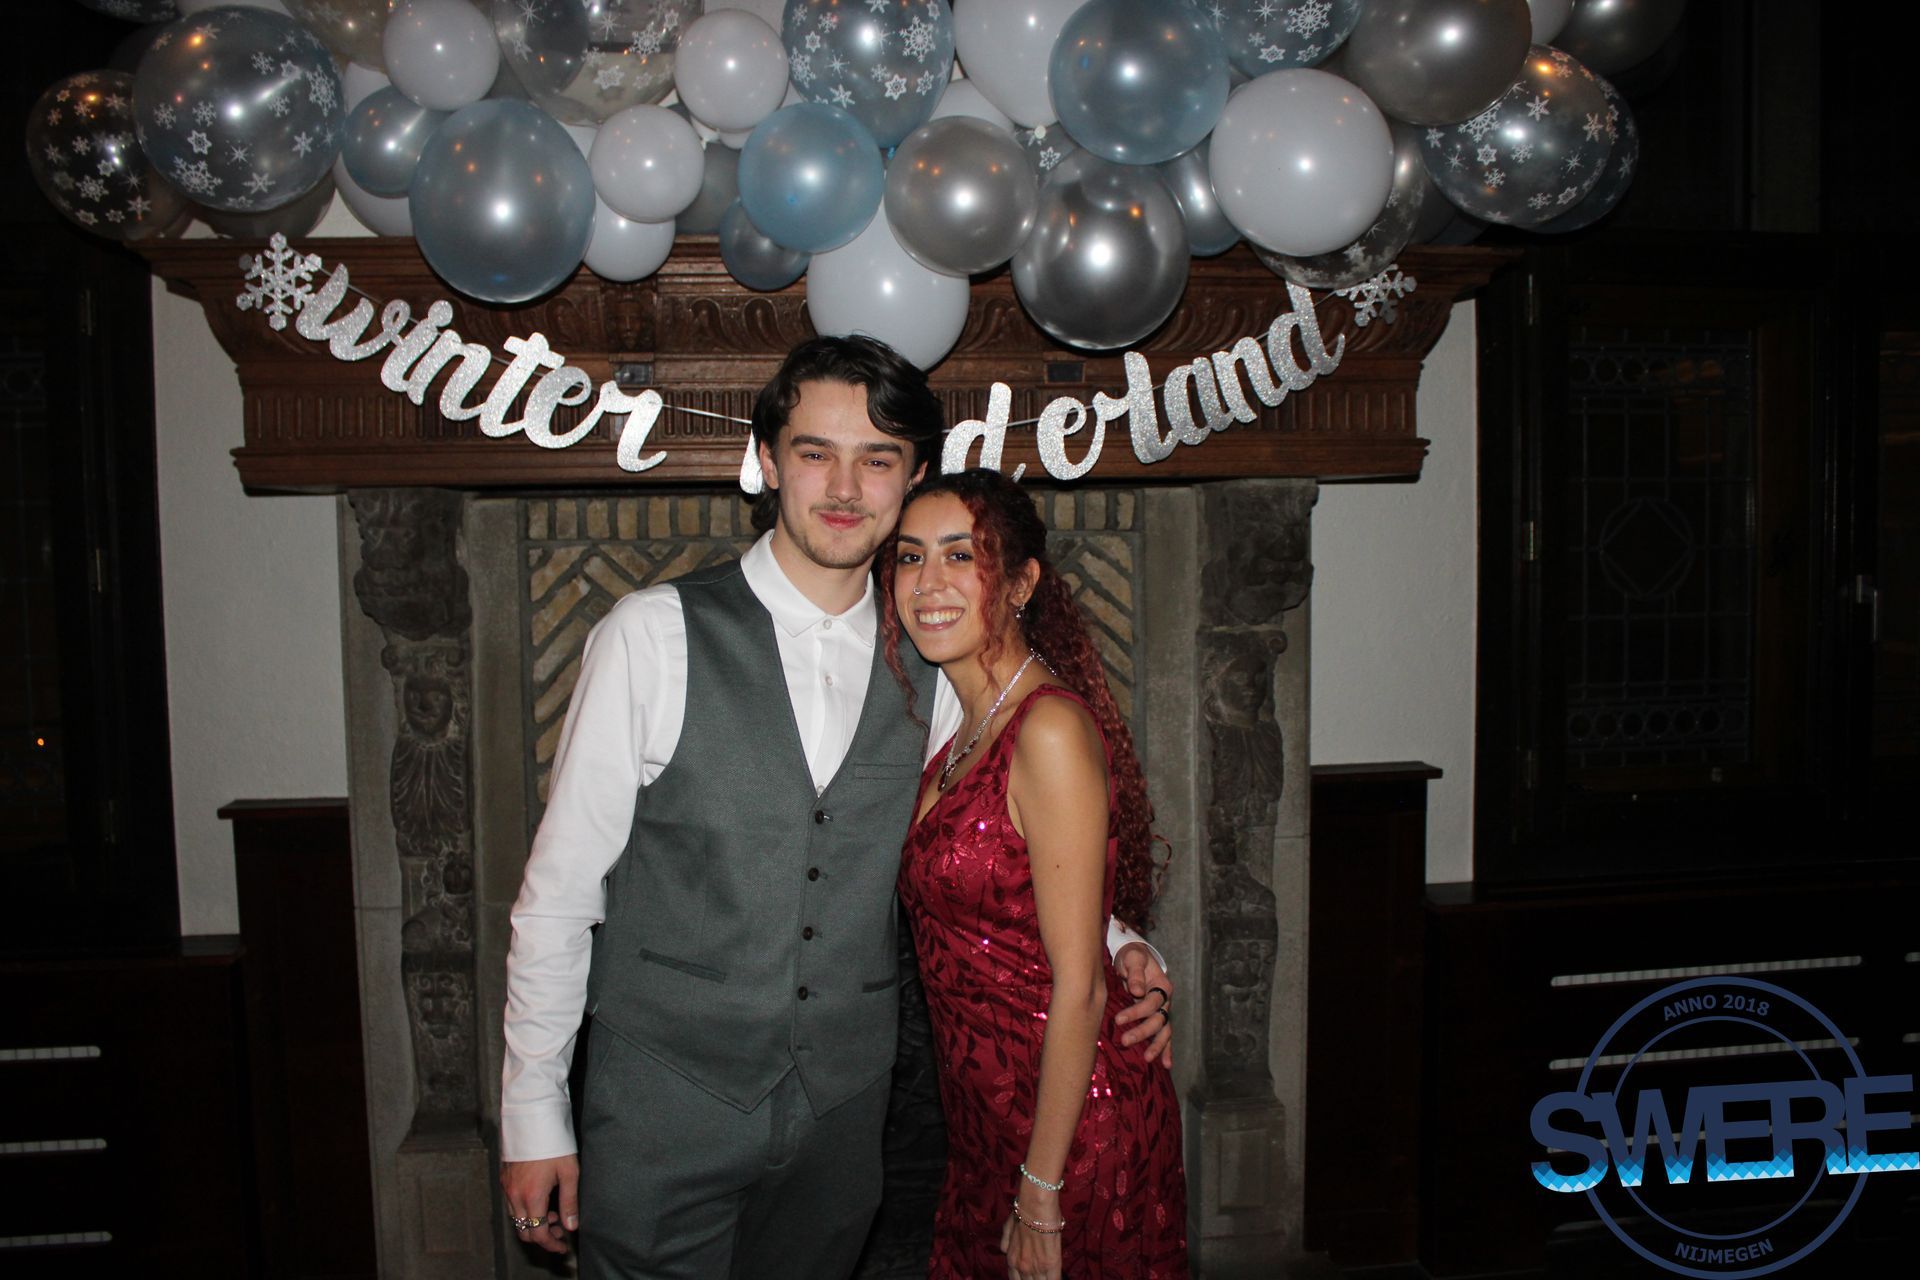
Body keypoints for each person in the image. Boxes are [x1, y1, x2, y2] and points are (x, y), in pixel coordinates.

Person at [498, 336, 1175, 1279]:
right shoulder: (651, 637)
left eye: (878, 458)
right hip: (663, 1109)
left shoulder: (937, 661)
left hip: (842, 1122)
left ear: (914, 476)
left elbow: (1009, 840)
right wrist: (533, 1111)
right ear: (768, 462)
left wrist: (1124, 949)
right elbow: (560, 894)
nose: (846, 487)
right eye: (816, 452)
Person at [884, 468, 1189, 1280]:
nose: (928, 582)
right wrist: (1131, 944)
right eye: (910, 557)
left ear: (1021, 584)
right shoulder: (954, 724)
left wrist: (1041, 1191)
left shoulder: (1046, 729)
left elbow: (1079, 988)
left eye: (961, 555)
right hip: (988, 1125)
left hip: (1074, 1132)